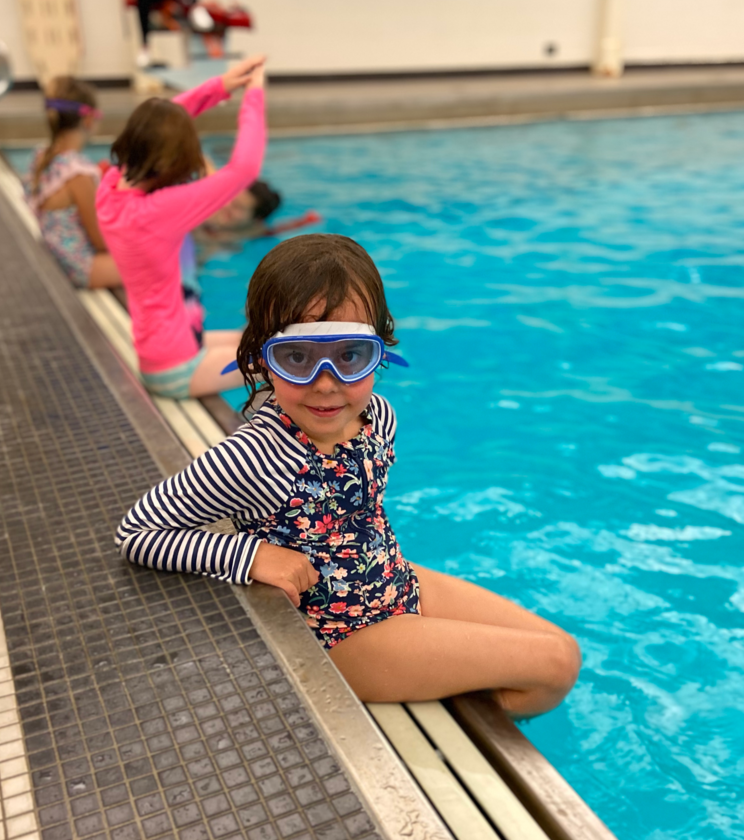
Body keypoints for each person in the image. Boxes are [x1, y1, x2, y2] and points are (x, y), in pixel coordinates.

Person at [115, 234, 581, 716]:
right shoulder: (257, 454)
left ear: (379, 351)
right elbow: (138, 532)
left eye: (350, 356)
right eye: (297, 357)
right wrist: (252, 554)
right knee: (555, 663)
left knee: (560, 646)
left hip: (393, 583)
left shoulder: (379, 417)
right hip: (339, 638)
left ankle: (454, 703)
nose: (325, 383)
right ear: (262, 358)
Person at [96, 54, 266, 400]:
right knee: (289, 363)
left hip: (170, 350)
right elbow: (244, 169)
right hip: (178, 369)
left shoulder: (110, 188)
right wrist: (254, 94)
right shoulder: (157, 211)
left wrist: (219, 87)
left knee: (263, 339)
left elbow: (155, 128)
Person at [25, 77, 122, 290]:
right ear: (88, 120)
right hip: (78, 266)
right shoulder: (79, 174)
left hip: (55, 254)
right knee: (152, 264)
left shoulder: (41, 156)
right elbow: (100, 242)